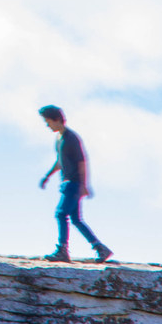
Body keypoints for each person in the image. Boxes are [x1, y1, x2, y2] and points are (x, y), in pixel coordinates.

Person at [37, 105, 113, 263]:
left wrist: (84, 185)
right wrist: (47, 176)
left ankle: (62, 250)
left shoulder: (71, 138)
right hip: (67, 183)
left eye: (48, 121)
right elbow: (60, 162)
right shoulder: (59, 138)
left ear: (57, 119)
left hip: (74, 183)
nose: (47, 125)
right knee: (76, 219)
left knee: (60, 213)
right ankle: (100, 248)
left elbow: (81, 162)